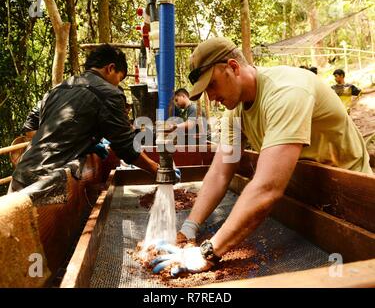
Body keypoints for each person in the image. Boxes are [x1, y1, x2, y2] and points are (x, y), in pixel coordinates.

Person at [150, 37, 372, 277]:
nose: (211, 97)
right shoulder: (235, 111)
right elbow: (221, 171)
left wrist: (207, 253)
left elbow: (267, 187)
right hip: (305, 200)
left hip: (353, 207)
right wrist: (188, 230)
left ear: (233, 67)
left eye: (212, 85)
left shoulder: (286, 92)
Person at [8, 44, 159, 193]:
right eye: (119, 79)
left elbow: (30, 126)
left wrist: (77, 142)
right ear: (110, 68)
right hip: (47, 183)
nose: (117, 84)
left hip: (21, 175)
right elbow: (126, 146)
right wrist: (157, 170)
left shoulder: (59, 88)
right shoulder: (108, 93)